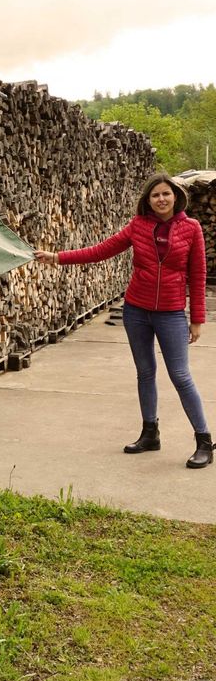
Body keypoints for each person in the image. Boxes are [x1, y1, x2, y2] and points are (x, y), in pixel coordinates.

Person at [34, 173, 212, 469]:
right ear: (148, 200)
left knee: (180, 376)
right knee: (145, 372)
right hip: (136, 311)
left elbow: (198, 275)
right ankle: (149, 434)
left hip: (171, 313)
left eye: (166, 194)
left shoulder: (191, 228)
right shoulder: (138, 226)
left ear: (176, 196)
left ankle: (204, 442)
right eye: (155, 195)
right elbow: (101, 250)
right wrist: (57, 257)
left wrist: (197, 319)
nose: (161, 199)